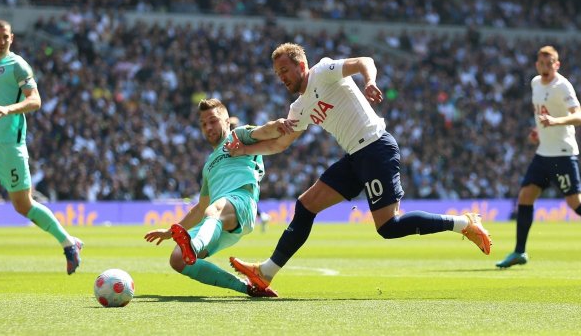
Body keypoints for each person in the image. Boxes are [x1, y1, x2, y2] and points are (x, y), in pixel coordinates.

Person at [227, 42, 492, 290]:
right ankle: (266, 273)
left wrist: (370, 82)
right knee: (306, 205)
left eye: (284, 70)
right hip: (355, 156)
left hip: (376, 147)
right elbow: (279, 144)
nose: (281, 77)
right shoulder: (298, 108)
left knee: (388, 227)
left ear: (301, 65)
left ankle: (464, 223)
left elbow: (364, 60)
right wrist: (244, 151)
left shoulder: (323, 71)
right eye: (277, 73)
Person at [0, 19, 83, 278]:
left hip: (9, 147)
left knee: (23, 205)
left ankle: (68, 243)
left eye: (5, 37)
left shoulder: (17, 65)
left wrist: (9, 109)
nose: (1, 41)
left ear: (11, 38)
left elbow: (35, 100)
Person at [144, 98, 296, 297]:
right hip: (217, 219)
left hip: (241, 201)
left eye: (213, 121)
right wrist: (170, 231)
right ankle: (248, 287)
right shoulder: (208, 166)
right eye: (203, 124)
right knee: (177, 259)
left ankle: (193, 246)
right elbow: (200, 208)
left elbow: (265, 131)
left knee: (213, 210)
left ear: (226, 121)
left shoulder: (238, 136)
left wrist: (278, 126)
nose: (208, 127)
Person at [496, 46, 581, 268]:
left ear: (557, 64)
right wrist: (539, 131)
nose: (545, 67)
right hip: (543, 153)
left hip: (562, 153)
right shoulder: (535, 83)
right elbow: (541, 114)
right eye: (541, 63)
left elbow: (579, 116)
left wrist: (555, 121)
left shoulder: (562, 86)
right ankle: (519, 252)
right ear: (536, 65)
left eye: (549, 63)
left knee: (575, 202)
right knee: (525, 196)